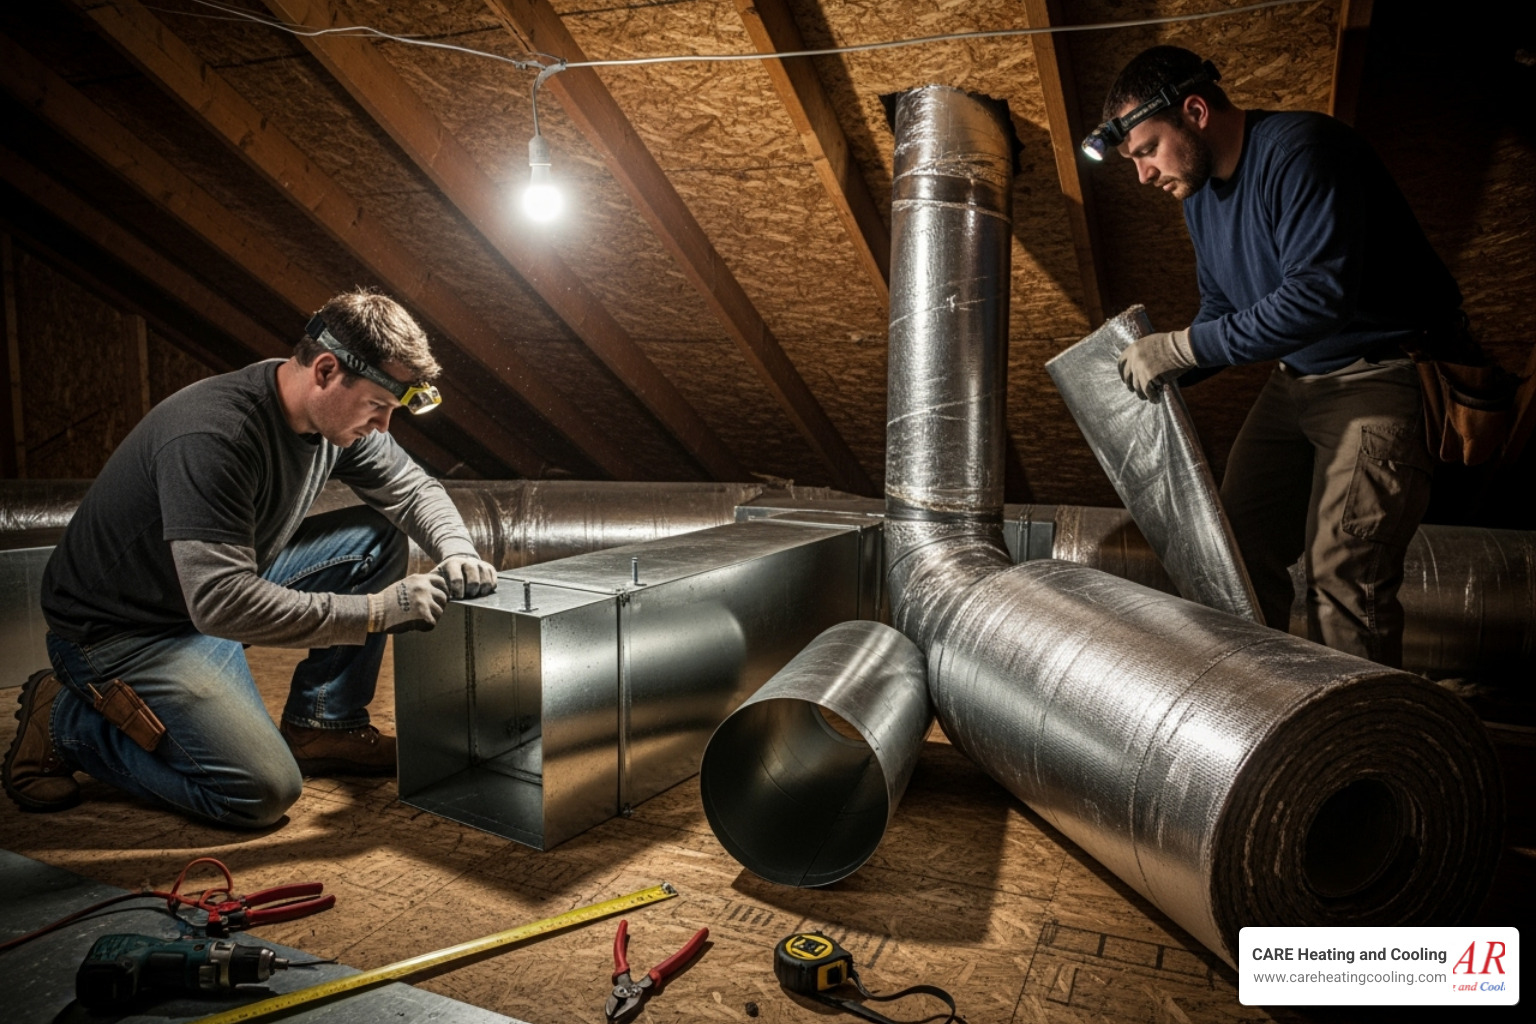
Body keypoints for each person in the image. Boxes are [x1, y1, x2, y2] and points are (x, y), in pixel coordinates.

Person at [3, 289, 498, 827]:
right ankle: (68, 723)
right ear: (326, 371)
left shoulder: (327, 415)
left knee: (378, 537)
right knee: (260, 792)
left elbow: (408, 488)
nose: (382, 427)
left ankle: (324, 726)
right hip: (124, 631)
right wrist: (376, 612)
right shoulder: (216, 435)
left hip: (209, 590)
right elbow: (219, 605)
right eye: (378, 407)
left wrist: (456, 547)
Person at [1093, 46, 1464, 667]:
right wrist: (1163, 368)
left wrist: (1179, 347)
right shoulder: (1201, 196)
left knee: (1343, 578)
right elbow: (1220, 307)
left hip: (1379, 376)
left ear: (1195, 111)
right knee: (1233, 548)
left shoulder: (1302, 151)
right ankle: (1264, 715)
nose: (1144, 175)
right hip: (1296, 380)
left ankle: (1354, 753)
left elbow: (1317, 300)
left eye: (1147, 150)